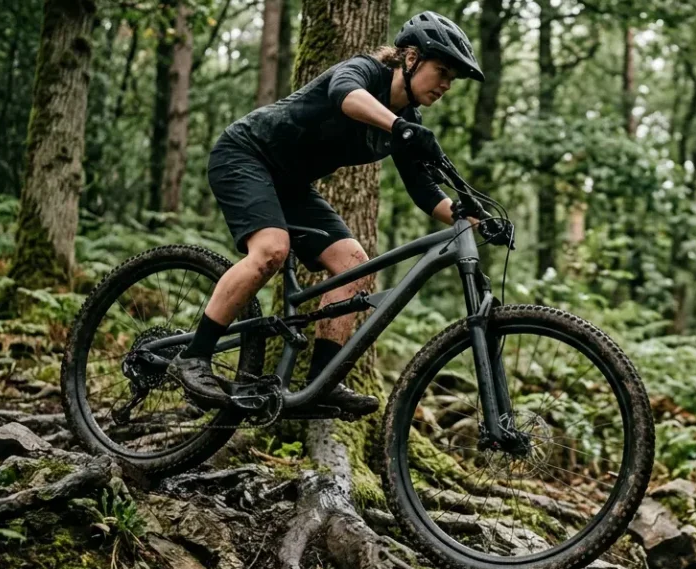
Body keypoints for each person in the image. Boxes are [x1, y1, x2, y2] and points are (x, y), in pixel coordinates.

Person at [168, 11, 484, 416]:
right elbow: (345, 95)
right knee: (270, 250)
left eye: (451, 79)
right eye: (441, 71)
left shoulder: (408, 121)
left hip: (291, 184)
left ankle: (322, 382)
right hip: (246, 154)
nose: (444, 85)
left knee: (355, 265)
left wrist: (469, 217)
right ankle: (193, 356)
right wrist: (400, 129)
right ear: (409, 57)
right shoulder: (367, 71)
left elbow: (424, 192)